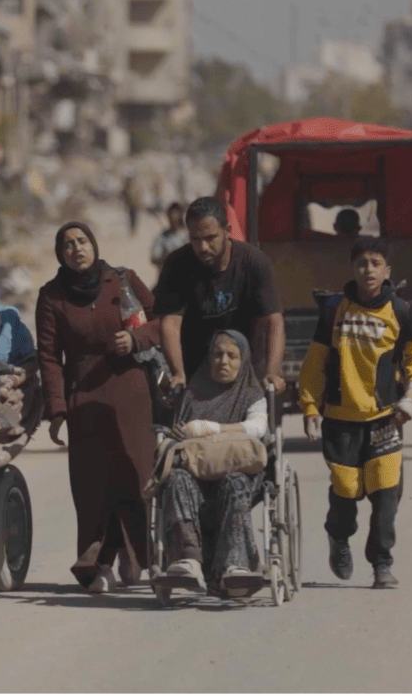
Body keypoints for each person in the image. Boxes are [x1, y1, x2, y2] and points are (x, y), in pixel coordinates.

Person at [37, 221, 162, 592]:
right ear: (60, 254)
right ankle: (97, 565)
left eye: (82, 241)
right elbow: (48, 356)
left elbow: (162, 320)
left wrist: (137, 339)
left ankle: (139, 555)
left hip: (130, 391)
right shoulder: (51, 296)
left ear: (94, 243)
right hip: (84, 398)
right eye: (68, 244)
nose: (77, 249)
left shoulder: (122, 280)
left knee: (136, 477)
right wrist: (57, 409)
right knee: (92, 485)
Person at [298, 237, 412, 590]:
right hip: (341, 421)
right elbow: (315, 361)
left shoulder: (400, 311)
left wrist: (411, 398)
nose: (368, 270)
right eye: (361, 263)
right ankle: (338, 538)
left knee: (386, 495)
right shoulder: (334, 310)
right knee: (347, 490)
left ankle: (382, 564)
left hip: (385, 419)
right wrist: (310, 405)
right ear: (352, 269)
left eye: (375, 263)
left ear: (387, 270)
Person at [154, 331, 270, 596]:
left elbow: (257, 429)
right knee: (176, 477)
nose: (224, 361)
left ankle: (236, 565)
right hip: (195, 481)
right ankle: (189, 560)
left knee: (235, 480)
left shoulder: (252, 394)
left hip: (237, 482)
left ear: (243, 360)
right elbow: (179, 435)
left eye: (232, 355)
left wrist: (208, 429)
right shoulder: (193, 393)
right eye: (218, 354)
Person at [153, 196, 286, 395]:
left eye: (210, 238)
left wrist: (272, 372)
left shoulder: (254, 262)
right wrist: (178, 373)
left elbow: (273, 322)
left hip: (250, 370)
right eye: (195, 239)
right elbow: (170, 324)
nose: (203, 247)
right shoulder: (177, 264)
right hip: (197, 370)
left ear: (227, 231)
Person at [150, 202, 189, 273]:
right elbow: (154, 258)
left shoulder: (189, 235)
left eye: (175, 218)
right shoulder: (162, 237)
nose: (173, 221)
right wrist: (170, 258)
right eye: (171, 218)